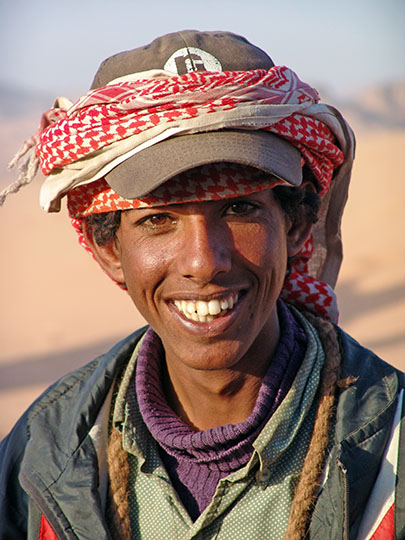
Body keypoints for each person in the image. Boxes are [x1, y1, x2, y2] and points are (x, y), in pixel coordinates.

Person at [0, 30, 403, 540]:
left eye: (239, 208)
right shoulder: (42, 454)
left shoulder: (392, 447)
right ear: (109, 249)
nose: (204, 262)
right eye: (158, 218)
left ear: (297, 225)